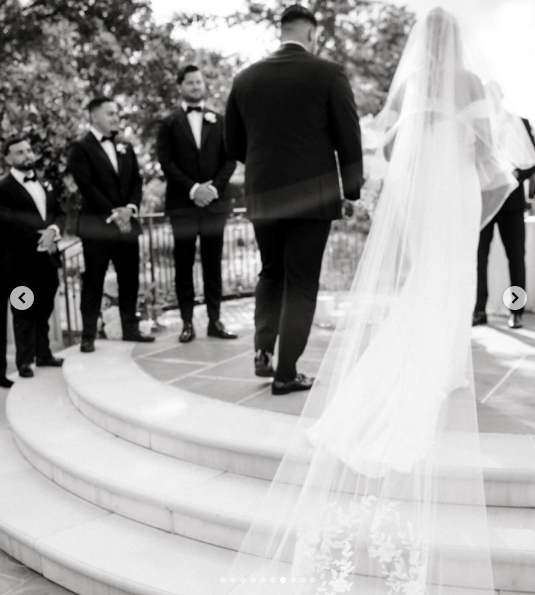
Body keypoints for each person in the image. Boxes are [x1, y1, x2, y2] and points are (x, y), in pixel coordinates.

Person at [222, 7, 535, 594]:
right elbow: (489, 145)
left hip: (417, 188)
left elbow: (387, 139)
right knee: (454, 276)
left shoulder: (413, 85)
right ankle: (442, 366)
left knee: (421, 276)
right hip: (455, 188)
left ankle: (294, 361)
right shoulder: (467, 82)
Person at [225, 4, 363, 395]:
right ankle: (286, 373)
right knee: (302, 283)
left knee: (271, 273)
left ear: (281, 31)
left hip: (263, 197)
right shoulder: (329, 73)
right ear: (311, 34)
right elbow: (348, 137)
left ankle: (263, 350)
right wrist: (351, 192)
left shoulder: (245, 78)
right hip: (311, 199)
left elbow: (233, 145)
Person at [157, 65, 237, 343]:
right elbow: (166, 163)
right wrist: (193, 189)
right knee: (183, 266)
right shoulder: (168, 123)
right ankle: (187, 323)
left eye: (199, 82)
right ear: (181, 86)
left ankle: (215, 321)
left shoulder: (221, 120)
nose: (195, 87)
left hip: (215, 204)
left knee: (213, 266)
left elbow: (230, 159)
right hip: (183, 204)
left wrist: (213, 188)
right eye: (190, 83)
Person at [67, 97, 154, 353]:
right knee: (93, 281)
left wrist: (130, 210)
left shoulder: (125, 145)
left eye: (117, 113)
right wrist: (116, 214)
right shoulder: (80, 147)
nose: (116, 118)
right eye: (110, 113)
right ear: (94, 116)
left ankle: (130, 329)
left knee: (130, 280)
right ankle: (88, 336)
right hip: (97, 227)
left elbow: (137, 182)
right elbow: (87, 186)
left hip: (127, 226)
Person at [0, 137, 66, 378]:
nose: (27, 155)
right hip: (19, 265)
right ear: (8, 158)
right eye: (19, 152)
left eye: (28, 151)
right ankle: (24, 361)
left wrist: (54, 231)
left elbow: (59, 213)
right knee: (23, 311)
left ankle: (44, 354)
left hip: (47, 262)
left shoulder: (46, 183)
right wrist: (39, 237)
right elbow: (7, 221)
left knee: (44, 308)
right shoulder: (3, 187)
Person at [473, 102, 535, 329]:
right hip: (485, 201)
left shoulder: (520, 123)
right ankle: (479, 310)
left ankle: (516, 311)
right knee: (480, 258)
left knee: (516, 258)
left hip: (512, 202)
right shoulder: (476, 122)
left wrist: (514, 175)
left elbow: (532, 160)